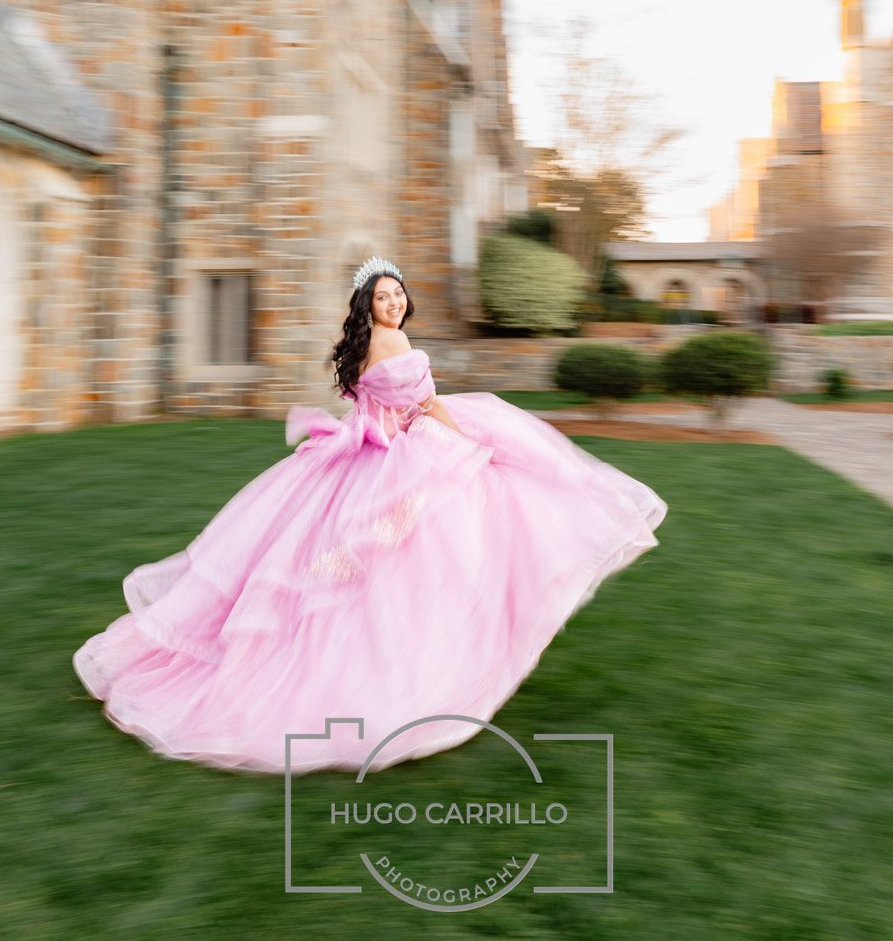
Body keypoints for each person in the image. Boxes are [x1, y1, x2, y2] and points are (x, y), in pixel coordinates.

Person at [73, 255, 668, 775]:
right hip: (402, 460)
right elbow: (425, 403)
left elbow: (377, 404)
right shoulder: (397, 345)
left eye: (398, 293)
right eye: (383, 296)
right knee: (423, 547)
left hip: (369, 458)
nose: (394, 301)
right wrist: (473, 443)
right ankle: (410, 670)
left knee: (349, 560)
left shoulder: (360, 347)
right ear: (368, 304)